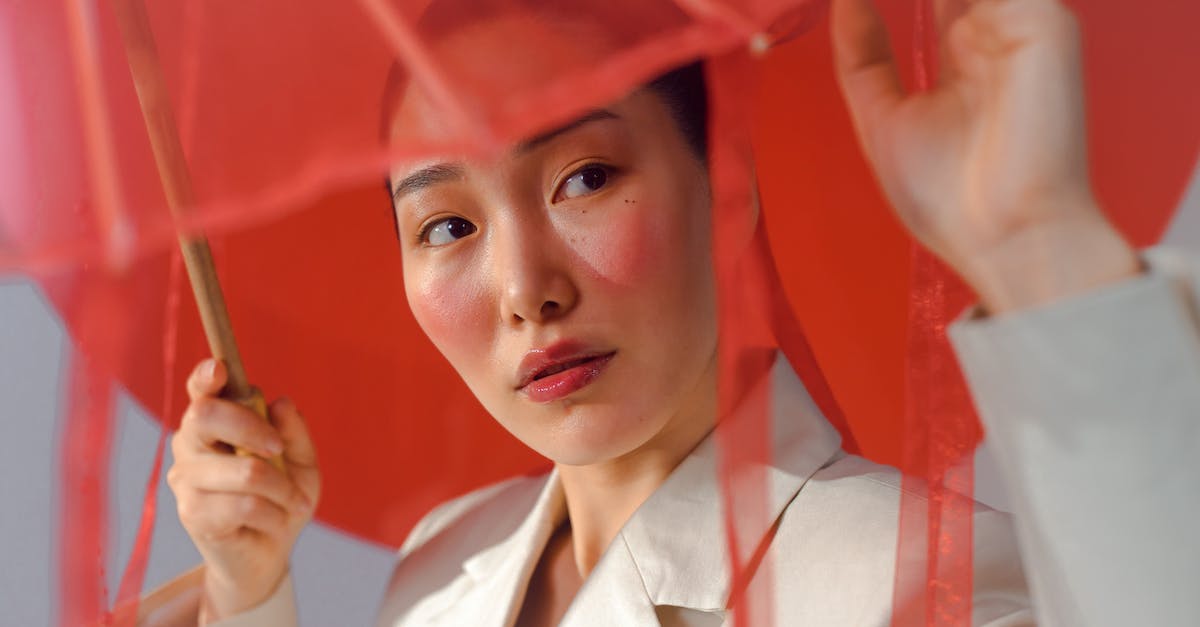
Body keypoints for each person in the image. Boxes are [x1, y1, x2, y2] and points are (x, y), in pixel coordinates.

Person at [165, 0, 1200, 625]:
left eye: (585, 177)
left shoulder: (914, 582)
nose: (527, 289)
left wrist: (1039, 245)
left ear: (729, 185)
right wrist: (245, 587)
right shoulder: (442, 569)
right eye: (445, 228)